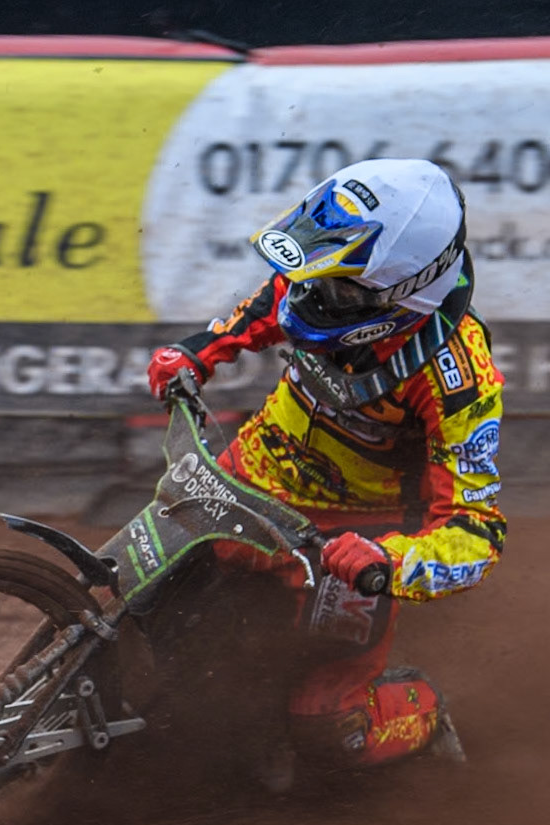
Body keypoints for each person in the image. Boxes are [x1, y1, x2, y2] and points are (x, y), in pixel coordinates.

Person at [144, 158, 504, 771]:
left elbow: (477, 531)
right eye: (315, 277)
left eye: (338, 289)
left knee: (330, 726)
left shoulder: (457, 378)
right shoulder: (323, 285)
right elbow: (272, 302)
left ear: (399, 292)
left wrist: (388, 560)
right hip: (248, 474)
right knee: (142, 595)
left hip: (344, 544)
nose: (311, 295)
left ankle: (422, 711)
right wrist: (198, 352)